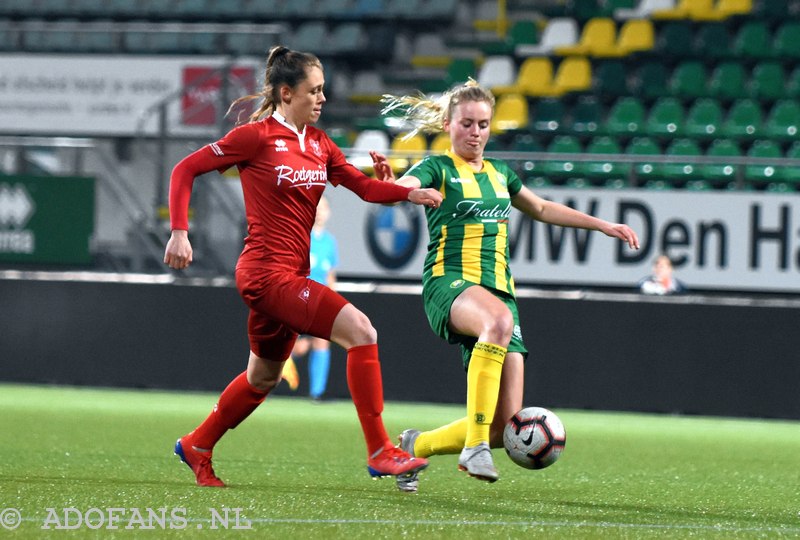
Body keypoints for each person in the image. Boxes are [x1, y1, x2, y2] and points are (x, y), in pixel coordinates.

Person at [163, 45, 441, 487]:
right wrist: (180, 230)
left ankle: (197, 443)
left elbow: (364, 189)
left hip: (290, 276)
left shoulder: (319, 144)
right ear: (286, 93)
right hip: (264, 275)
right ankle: (380, 451)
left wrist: (405, 191)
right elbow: (184, 170)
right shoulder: (255, 137)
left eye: (324, 90)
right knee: (362, 331)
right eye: (314, 91)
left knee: (264, 375)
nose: (323, 98)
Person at [378, 80, 640, 491]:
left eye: (483, 124)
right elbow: (405, 186)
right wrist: (396, 190)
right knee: (496, 324)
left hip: (500, 294)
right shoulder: (437, 168)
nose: (476, 133)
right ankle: (473, 447)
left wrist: (602, 225)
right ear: (448, 124)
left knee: (505, 425)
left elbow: (540, 207)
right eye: (467, 123)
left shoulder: (501, 174)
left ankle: (417, 444)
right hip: (449, 284)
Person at [284, 195, 338, 401]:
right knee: (294, 345)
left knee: (322, 342)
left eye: (324, 208)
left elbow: (330, 276)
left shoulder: (330, 243)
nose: (320, 212)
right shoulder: (301, 237)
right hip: (299, 298)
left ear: (329, 212)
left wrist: (333, 303)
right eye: (317, 207)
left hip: (321, 300)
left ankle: (317, 393)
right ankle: (268, 378)